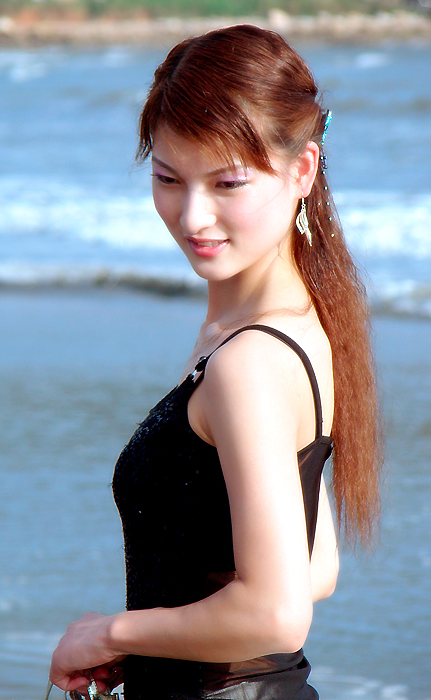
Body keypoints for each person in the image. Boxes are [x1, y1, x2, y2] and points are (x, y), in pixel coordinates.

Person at [48, 24, 382, 700]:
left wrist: (111, 633)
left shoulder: (248, 362)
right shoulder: (298, 325)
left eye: (227, 182)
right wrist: (154, 637)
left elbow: (276, 613)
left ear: (302, 171)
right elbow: (313, 567)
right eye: (168, 178)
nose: (193, 216)